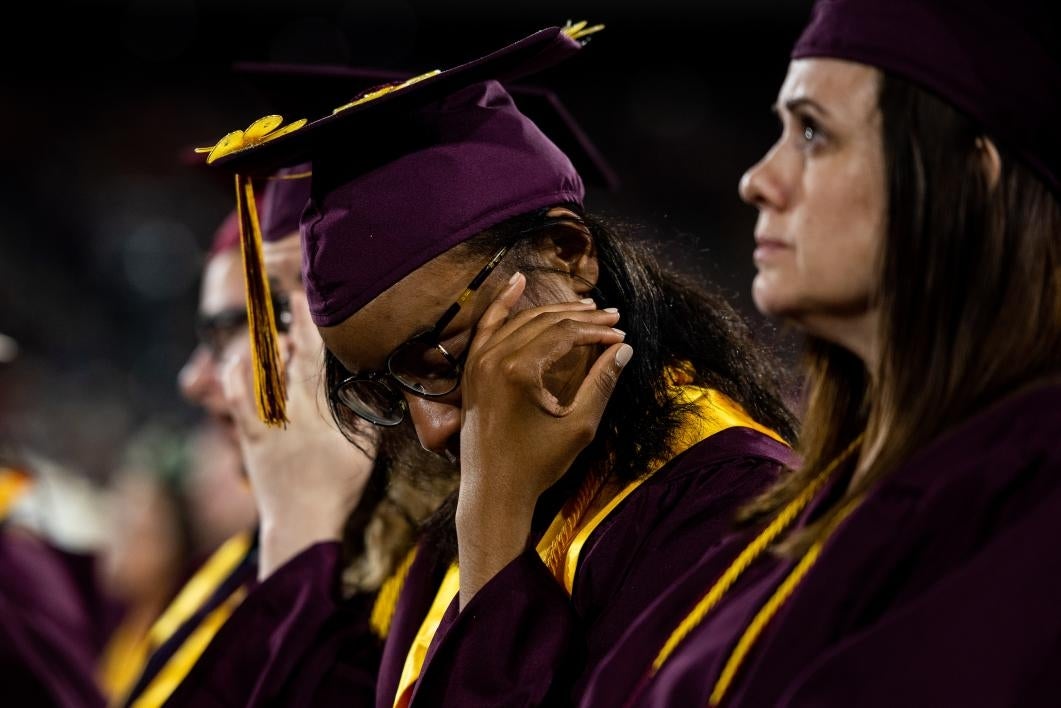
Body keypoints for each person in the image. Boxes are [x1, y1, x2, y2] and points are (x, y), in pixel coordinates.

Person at [205, 23, 798, 706]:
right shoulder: (452, 537)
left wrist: (492, 527)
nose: (428, 429)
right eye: (381, 388)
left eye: (439, 355)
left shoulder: (732, 505)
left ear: (567, 253)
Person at [579, 0, 1061, 705]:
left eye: (812, 132)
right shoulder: (833, 493)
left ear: (970, 173)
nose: (756, 180)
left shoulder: (1030, 496)